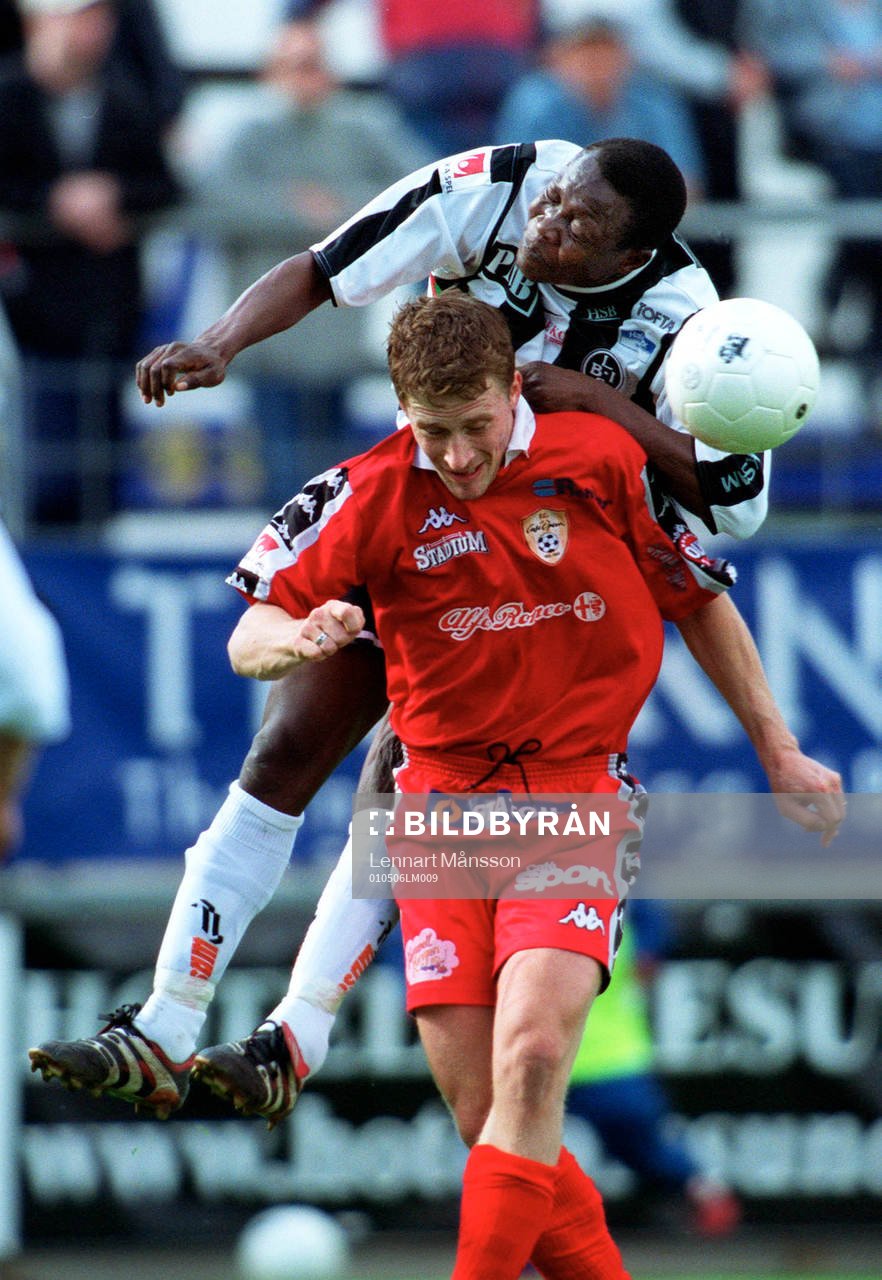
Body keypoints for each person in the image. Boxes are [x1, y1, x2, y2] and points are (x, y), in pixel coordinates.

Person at [29, 139, 844, 1125]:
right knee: (290, 744)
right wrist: (222, 342)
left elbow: (730, 507)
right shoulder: (500, 182)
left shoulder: (688, 324)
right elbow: (326, 266)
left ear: (637, 251)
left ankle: (296, 1028)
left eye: (580, 226)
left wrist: (596, 404)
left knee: (408, 769)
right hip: (430, 503)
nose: (549, 221)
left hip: (557, 526)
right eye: (554, 202)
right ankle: (171, 1023)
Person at [215, 291, 817, 1277]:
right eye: (432, 430)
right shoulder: (369, 495)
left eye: (475, 426)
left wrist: (778, 748)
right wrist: (297, 638)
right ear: (402, 409)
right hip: (439, 807)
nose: (455, 454)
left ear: (512, 389)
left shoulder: (598, 459)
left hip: (574, 791)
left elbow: (699, 601)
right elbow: (250, 631)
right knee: (489, 1119)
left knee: (534, 1060)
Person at [193, 17, 430, 497]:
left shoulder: (363, 129)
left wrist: (339, 206)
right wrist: (301, 212)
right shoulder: (248, 135)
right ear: (270, 72)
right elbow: (211, 201)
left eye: (314, 65)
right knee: (285, 488)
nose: (304, 77)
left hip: (339, 344)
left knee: (338, 488)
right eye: (293, 65)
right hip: (268, 349)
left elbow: (424, 184)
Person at [0, 0, 180, 524]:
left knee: (97, 467)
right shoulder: (11, 97)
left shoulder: (122, 96)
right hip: (28, 317)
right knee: (41, 463)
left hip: (107, 312)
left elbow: (164, 185)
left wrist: (113, 197)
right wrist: (54, 204)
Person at [566, 903, 742, 1238]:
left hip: (583, 1065)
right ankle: (706, 1191)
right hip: (613, 1063)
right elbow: (650, 920)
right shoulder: (617, 925)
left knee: (528, 1163)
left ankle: (706, 1194)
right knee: (644, 1148)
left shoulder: (536, 925)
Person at [494, 20, 706, 197]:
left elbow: (686, 184)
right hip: (552, 227)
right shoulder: (534, 101)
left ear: (626, 58)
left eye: (606, 52)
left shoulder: (654, 100)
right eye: (585, 53)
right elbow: (517, 183)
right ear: (557, 59)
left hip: (638, 230)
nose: (596, 65)